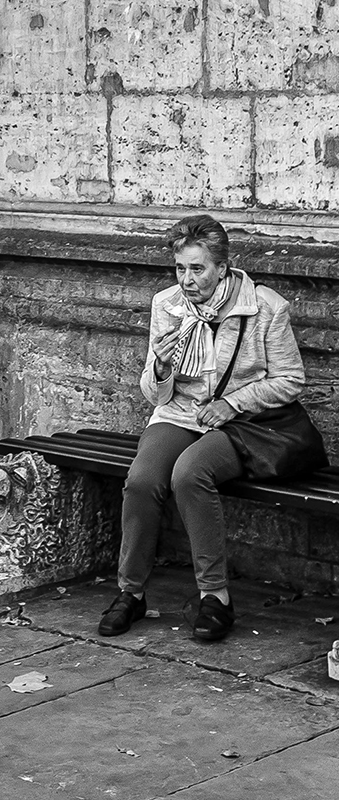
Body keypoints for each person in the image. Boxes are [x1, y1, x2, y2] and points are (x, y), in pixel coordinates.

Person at [98, 214, 307, 642]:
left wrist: (232, 402)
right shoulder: (167, 304)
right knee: (141, 480)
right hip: (178, 414)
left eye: (198, 269)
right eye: (180, 268)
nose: (187, 280)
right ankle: (131, 592)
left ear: (221, 269)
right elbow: (156, 396)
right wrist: (159, 366)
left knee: (189, 474)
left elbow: (291, 379)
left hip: (241, 424)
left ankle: (215, 597)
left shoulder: (265, 306)